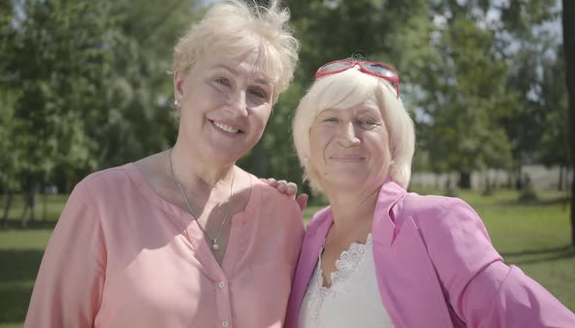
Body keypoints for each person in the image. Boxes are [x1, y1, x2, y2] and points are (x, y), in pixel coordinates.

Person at [24, 1, 305, 327]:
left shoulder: (282, 216)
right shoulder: (101, 202)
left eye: (258, 92)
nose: (238, 107)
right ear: (181, 86)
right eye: (222, 81)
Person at [285, 59, 575, 328]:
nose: (348, 137)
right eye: (330, 119)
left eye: (367, 121)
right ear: (307, 140)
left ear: (394, 144)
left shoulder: (435, 222)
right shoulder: (308, 237)